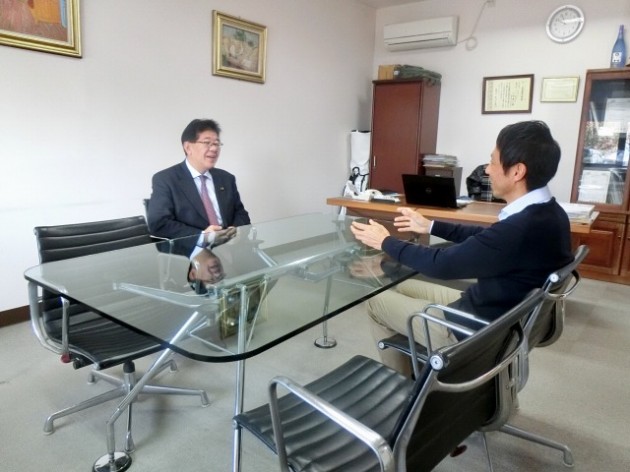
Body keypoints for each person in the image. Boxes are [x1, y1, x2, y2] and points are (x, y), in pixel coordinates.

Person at [350, 120, 574, 375]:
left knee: (375, 301)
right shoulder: (550, 213)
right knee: (399, 286)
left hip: (473, 331)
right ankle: (417, 366)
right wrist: (431, 226)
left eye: (492, 161)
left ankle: (402, 386)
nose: (487, 170)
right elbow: (486, 237)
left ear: (517, 171)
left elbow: (441, 265)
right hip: (489, 309)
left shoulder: (519, 228)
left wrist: (385, 241)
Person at [148, 118, 250, 241]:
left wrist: (235, 229)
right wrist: (201, 236)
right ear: (188, 147)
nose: (214, 149)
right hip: (192, 249)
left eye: (216, 144)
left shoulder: (226, 178)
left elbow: (241, 214)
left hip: (229, 245)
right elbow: (159, 224)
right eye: (207, 143)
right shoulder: (166, 179)